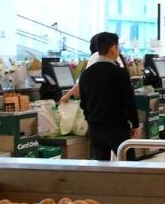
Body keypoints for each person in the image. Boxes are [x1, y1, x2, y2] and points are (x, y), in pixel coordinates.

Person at [78, 32, 140, 161]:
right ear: (113, 48)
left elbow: (83, 103)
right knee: (129, 165)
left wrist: (91, 120)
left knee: (101, 169)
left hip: (95, 128)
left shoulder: (86, 74)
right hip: (117, 128)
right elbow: (129, 100)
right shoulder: (120, 73)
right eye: (118, 47)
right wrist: (135, 123)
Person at [59, 35, 126, 103]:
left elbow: (83, 83)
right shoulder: (118, 58)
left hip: (102, 104)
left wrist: (67, 96)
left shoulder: (96, 56)